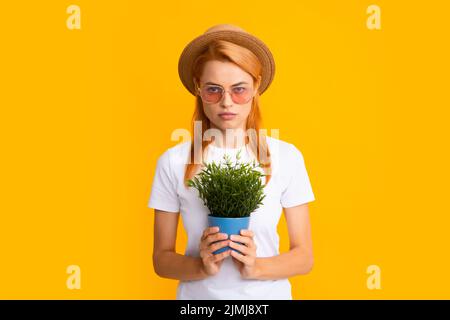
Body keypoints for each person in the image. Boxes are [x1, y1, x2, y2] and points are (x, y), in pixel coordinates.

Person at [148, 24, 316, 299]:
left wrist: (256, 268)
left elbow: (304, 256)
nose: (227, 102)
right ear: (198, 89)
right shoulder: (173, 161)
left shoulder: (286, 157)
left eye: (239, 89)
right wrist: (202, 267)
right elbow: (161, 260)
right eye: (214, 90)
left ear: (256, 88)